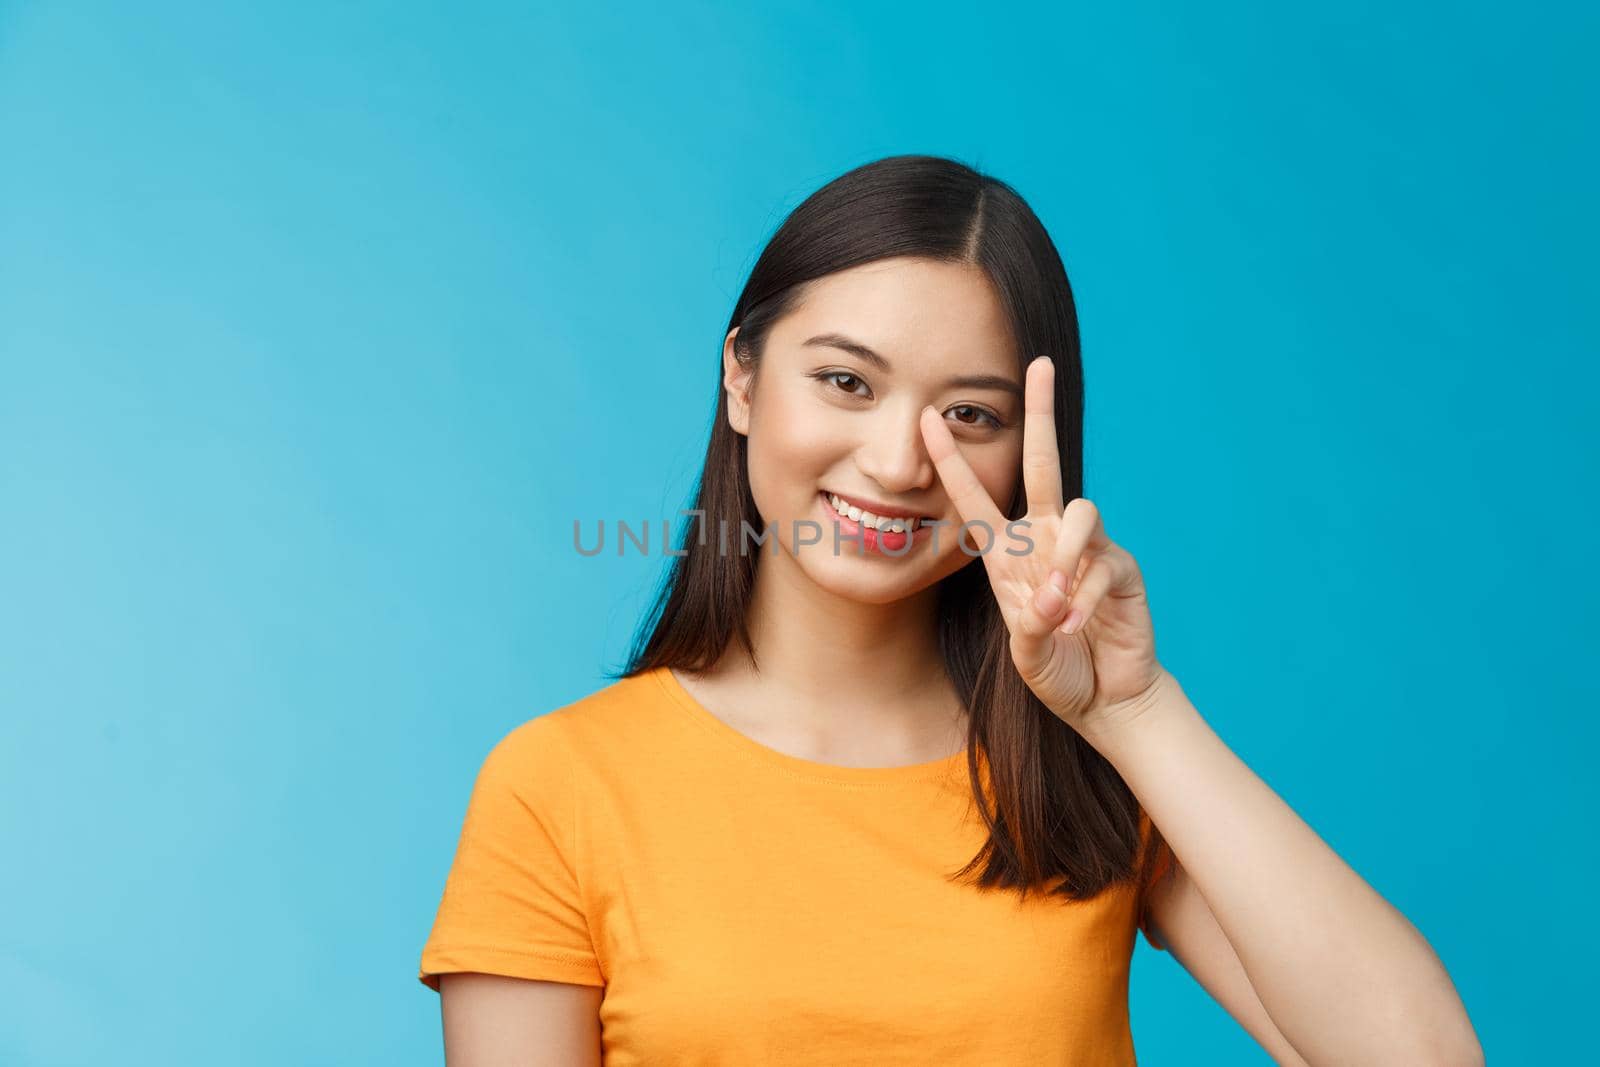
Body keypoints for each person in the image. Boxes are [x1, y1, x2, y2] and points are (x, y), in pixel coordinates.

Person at [417, 155, 1482, 1065]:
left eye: (967, 413)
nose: (893, 462)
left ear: (1029, 447)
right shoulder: (560, 785)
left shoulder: (1085, 768)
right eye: (845, 381)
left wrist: (1138, 712)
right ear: (741, 378)